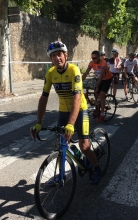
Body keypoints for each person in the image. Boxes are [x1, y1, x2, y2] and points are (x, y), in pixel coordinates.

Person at [30, 41, 102, 184]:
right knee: (60, 146)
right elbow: (44, 97)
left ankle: (97, 168)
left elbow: (76, 98)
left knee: (84, 146)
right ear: (51, 59)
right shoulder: (50, 73)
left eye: (60, 54)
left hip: (80, 110)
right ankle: (61, 174)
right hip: (63, 112)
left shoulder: (74, 71)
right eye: (54, 56)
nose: (57, 58)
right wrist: (38, 123)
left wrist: (70, 124)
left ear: (66, 55)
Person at [82, 50, 113, 122]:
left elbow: (102, 75)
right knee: (96, 94)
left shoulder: (103, 62)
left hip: (107, 79)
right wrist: (79, 82)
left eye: (95, 58)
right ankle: (97, 109)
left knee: (101, 95)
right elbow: (86, 73)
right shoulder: (92, 63)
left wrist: (97, 86)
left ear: (99, 57)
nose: (93, 60)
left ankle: (102, 113)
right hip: (99, 79)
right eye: (92, 58)